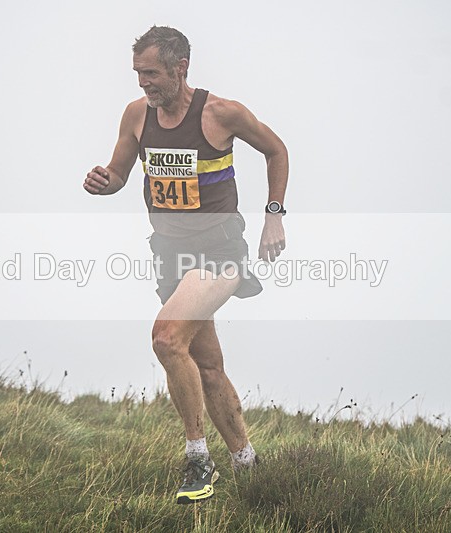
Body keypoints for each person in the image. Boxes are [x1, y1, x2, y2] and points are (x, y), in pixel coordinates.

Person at [84, 26, 289, 504]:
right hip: (170, 256)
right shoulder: (137, 115)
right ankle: (248, 466)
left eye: (151, 73)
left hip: (219, 252)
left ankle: (198, 460)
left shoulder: (222, 114)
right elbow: (119, 173)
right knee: (207, 365)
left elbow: (277, 150)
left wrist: (273, 217)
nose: (143, 84)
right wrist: (104, 180)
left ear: (181, 68)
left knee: (166, 337)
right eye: (138, 74)